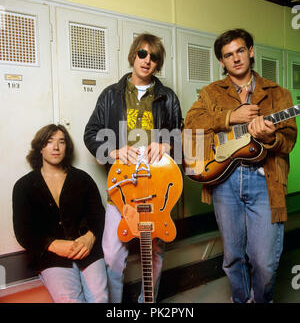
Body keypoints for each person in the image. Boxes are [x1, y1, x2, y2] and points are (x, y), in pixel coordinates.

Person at [184, 28, 297, 303]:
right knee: (233, 257)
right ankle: (240, 299)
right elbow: (191, 124)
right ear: (221, 62)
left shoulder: (277, 93)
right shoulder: (211, 93)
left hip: (265, 181)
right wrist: (230, 116)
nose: (235, 59)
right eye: (228, 55)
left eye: (240, 51)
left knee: (264, 262)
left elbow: (289, 140)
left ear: (251, 51)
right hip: (225, 181)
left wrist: (270, 137)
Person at [84, 33, 182, 302]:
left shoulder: (168, 97)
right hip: (123, 189)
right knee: (113, 254)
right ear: (133, 55)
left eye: (154, 57)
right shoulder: (110, 95)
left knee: (155, 256)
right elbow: (91, 135)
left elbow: (180, 136)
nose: (147, 60)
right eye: (142, 53)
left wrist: (167, 146)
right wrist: (113, 151)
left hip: (157, 189)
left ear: (158, 63)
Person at [13, 124, 108, 303]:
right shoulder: (23, 186)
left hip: (88, 249)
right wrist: (53, 244)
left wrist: (90, 237)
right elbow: (23, 232)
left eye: (61, 142)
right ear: (40, 148)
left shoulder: (83, 179)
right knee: (69, 300)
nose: (56, 147)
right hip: (51, 256)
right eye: (49, 142)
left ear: (67, 147)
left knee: (99, 298)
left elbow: (98, 215)